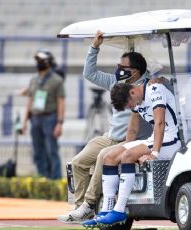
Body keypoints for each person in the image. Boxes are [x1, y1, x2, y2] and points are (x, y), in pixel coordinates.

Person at [57, 31, 158, 224]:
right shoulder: (116, 82)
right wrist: (95, 47)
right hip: (110, 136)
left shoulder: (147, 85)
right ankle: (81, 208)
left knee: (103, 157)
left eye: (122, 66)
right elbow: (89, 73)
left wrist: (158, 79)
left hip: (129, 140)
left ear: (135, 71)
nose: (118, 69)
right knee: (78, 162)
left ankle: (89, 204)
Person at [91, 81, 180, 227]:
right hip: (155, 138)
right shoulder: (137, 97)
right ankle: (107, 210)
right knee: (110, 157)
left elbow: (160, 123)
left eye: (129, 104)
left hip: (172, 138)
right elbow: (132, 129)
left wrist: (154, 154)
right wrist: (127, 147)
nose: (131, 107)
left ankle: (119, 210)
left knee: (127, 156)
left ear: (132, 92)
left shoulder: (155, 90)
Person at [22, 50, 65, 179]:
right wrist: (24, 121)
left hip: (50, 118)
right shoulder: (34, 80)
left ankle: (55, 180)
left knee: (52, 151)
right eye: (38, 61)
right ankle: (43, 178)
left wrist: (59, 123)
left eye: (42, 60)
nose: (39, 63)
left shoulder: (57, 80)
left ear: (48, 62)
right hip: (35, 118)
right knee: (37, 152)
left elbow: (61, 102)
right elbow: (30, 100)